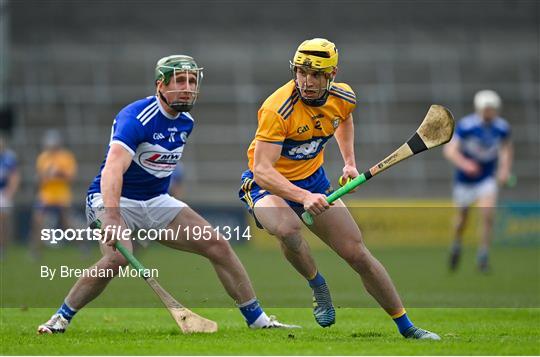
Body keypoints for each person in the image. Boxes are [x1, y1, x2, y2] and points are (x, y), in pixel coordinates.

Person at [38, 55, 295, 334]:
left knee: (218, 245)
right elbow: (113, 168)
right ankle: (59, 319)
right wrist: (112, 216)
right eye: (180, 81)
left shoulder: (186, 122)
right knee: (117, 259)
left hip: (156, 201)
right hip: (113, 199)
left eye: (192, 81)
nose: (188, 87)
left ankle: (258, 321)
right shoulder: (136, 118)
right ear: (161, 84)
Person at [238, 38, 439, 339]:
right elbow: (263, 171)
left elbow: (343, 119)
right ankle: (317, 285)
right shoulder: (277, 109)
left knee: (356, 253)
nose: (307, 81)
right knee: (288, 229)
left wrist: (349, 163)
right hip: (269, 186)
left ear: (332, 75)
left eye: (317, 75)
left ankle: (407, 328)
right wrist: (303, 197)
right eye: (301, 73)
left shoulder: (343, 96)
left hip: (313, 180)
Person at [444, 89, 512, 272]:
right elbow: (450, 151)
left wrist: (504, 170)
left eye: (492, 108)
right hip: (464, 180)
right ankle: (456, 245)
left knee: (488, 215)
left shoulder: (502, 128)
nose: (489, 112)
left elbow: (505, 150)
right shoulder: (467, 126)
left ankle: (483, 256)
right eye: (486, 108)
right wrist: (465, 164)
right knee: (462, 219)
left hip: (486, 178)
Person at [29, 129, 77, 259]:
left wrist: (58, 173)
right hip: (46, 195)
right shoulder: (43, 157)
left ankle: (82, 246)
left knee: (67, 224)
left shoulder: (66, 157)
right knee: (38, 221)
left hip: (62, 195)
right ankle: (36, 251)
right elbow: (39, 178)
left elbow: (71, 177)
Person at [0, 134, 20, 258]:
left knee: (3, 221)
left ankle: (3, 247)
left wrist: (10, 192)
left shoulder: (9, 158)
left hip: (4, 192)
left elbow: (15, 176)